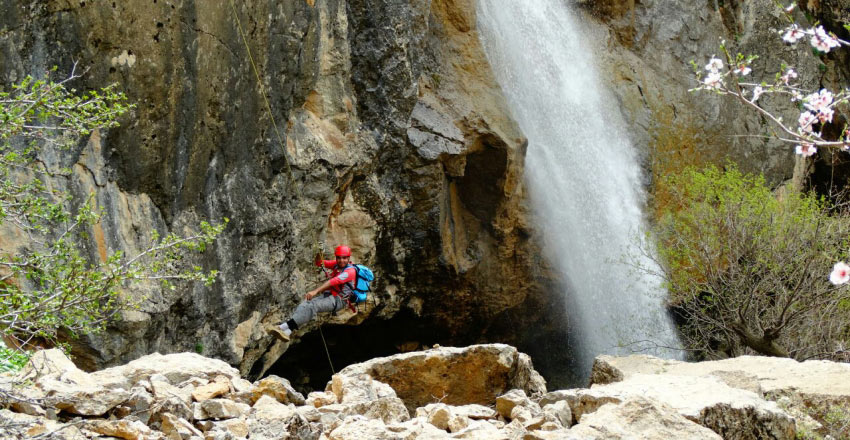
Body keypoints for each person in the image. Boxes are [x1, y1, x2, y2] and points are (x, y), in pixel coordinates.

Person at [268, 245, 357, 342]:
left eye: (344, 258)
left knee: (313, 306)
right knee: (306, 304)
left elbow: (333, 281)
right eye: (339, 258)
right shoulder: (336, 264)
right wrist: (320, 253)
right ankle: (287, 331)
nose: (341, 260)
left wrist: (315, 291)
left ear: (348, 258)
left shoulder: (350, 271)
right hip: (329, 295)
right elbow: (319, 263)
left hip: (339, 300)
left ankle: (282, 327)